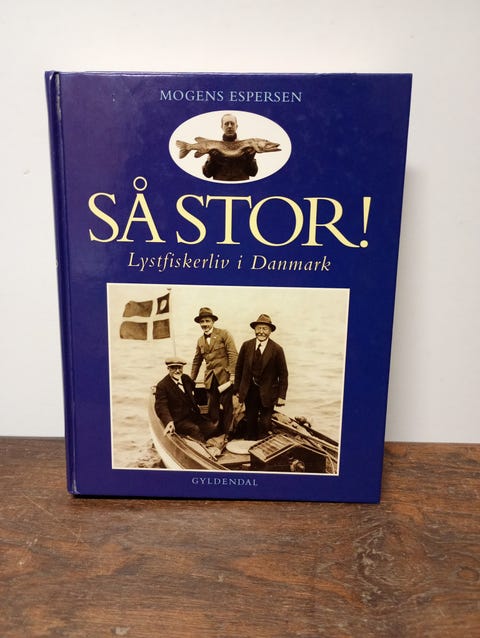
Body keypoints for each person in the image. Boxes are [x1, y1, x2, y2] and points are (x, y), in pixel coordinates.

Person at [234, 314, 288, 440]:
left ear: (270, 331)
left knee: (265, 423)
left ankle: (264, 445)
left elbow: (283, 375)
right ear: (254, 329)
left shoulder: (277, 349)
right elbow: (238, 369)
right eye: (259, 328)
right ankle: (250, 443)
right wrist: (237, 389)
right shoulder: (246, 345)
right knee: (250, 422)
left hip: (268, 393)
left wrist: (282, 396)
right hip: (249, 391)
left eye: (265, 329)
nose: (261, 332)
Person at [190, 307, 238, 437]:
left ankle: (228, 433)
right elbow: (197, 361)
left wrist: (233, 374)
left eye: (207, 321)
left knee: (228, 407)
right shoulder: (200, 340)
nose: (205, 324)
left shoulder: (224, 334)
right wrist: (190, 380)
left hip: (225, 378)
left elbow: (233, 354)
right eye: (202, 322)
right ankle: (215, 433)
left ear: (213, 322)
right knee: (212, 408)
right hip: (210, 379)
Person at [154, 357, 217, 442]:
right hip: (178, 420)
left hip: (193, 416)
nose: (177, 371)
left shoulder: (186, 378)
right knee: (194, 429)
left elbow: (196, 393)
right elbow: (161, 406)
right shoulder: (162, 386)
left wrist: (215, 398)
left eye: (179, 367)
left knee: (211, 428)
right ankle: (203, 446)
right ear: (168, 369)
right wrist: (169, 421)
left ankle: (209, 442)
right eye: (173, 368)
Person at [202, 113, 258, 181]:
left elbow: (253, 173)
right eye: (226, 124)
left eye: (232, 123)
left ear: (236, 126)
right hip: (221, 185)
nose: (229, 126)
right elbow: (207, 174)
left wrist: (250, 159)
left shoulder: (246, 147)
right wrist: (212, 159)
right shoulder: (215, 147)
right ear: (222, 127)